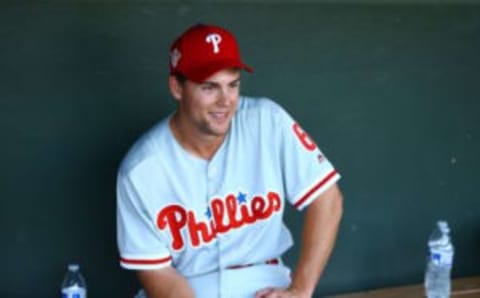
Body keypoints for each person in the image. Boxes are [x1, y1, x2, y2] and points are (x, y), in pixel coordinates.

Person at [116, 23, 343, 298]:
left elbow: (327, 199)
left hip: (264, 281)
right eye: (209, 87)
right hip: (186, 287)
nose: (225, 101)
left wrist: (300, 290)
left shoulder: (266, 121)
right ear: (177, 87)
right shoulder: (141, 170)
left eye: (232, 85)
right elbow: (158, 273)